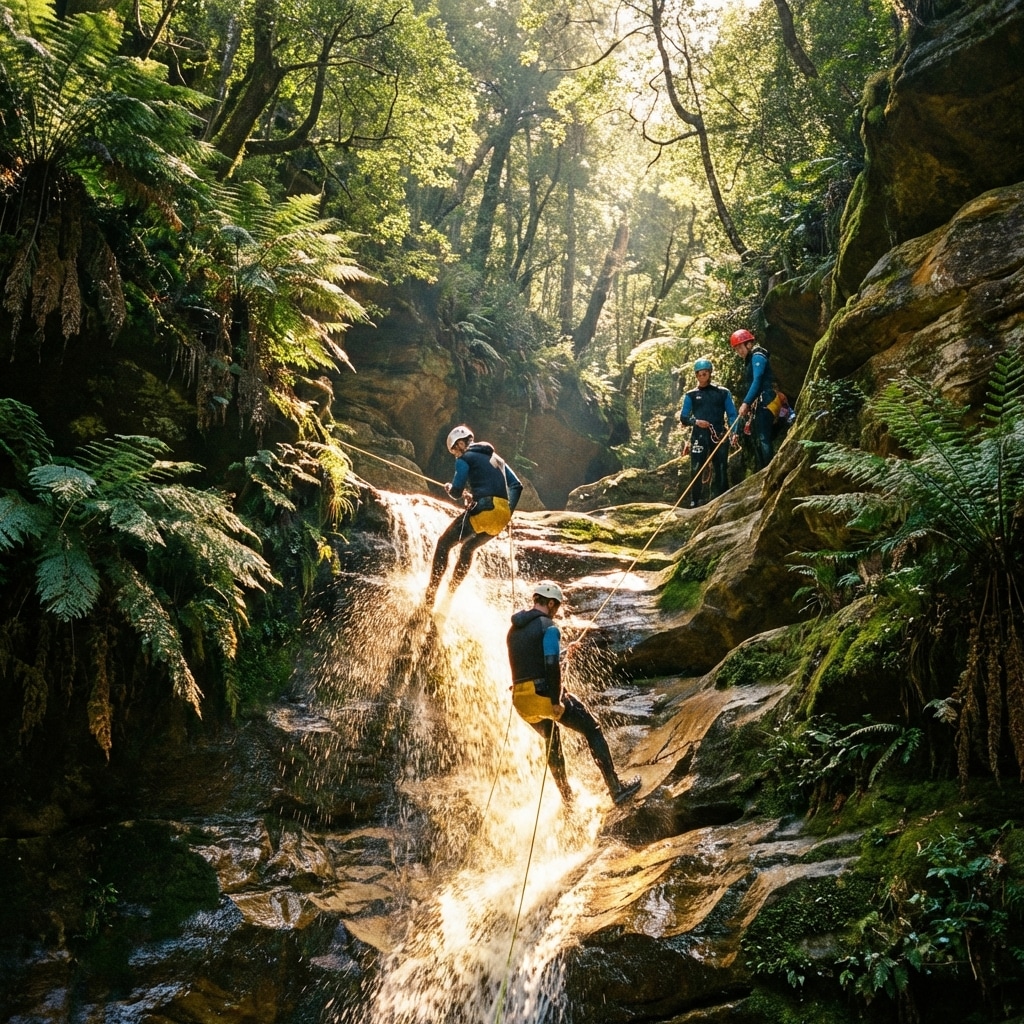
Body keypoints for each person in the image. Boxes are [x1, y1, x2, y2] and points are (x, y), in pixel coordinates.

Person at [506, 581, 642, 807]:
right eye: (556, 606)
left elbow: (531, 660)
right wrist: (556, 700)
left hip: (521, 702)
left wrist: (564, 652)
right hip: (544, 696)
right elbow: (550, 663)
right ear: (550, 603)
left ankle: (568, 799)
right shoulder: (548, 626)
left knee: (552, 739)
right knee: (592, 729)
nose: (556, 611)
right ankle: (616, 789)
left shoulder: (514, 629)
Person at [426, 425, 523, 606]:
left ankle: (430, 595)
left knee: (443, 543)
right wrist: (507, 511)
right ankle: (449, 596)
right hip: (501, 518)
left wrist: (451, 489)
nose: (455, 454)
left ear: (461, 443)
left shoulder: (465, 458)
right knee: (467, 549)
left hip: (484, 511)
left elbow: (456, 491)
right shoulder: (497, 459)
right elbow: (516, 486)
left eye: (455, 450)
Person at [679, 357, 739, 508]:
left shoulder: (722, 393)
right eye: (699, 374)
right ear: (696, 375)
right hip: (699, 435)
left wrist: (733, 432)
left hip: (718, 434)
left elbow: (732, 414)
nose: (701, 377)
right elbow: (684, 417)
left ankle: (720, 498)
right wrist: (696, 422)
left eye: (704, 374)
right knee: (696, 467)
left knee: (721, 466)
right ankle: (695, 500)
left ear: (710, 373)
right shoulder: (691, 395)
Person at [730, 328, 777, 471]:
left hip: (766, 401)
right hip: (759, 403)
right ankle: (763, 470)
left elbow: (757, 380)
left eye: (740, 347)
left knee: (763, 437)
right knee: (758, 438)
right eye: (736, 349)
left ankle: (769, 471)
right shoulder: (749, 361)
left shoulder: (758, 356)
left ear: (749, 344)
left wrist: (746, 402)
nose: (739, 351)